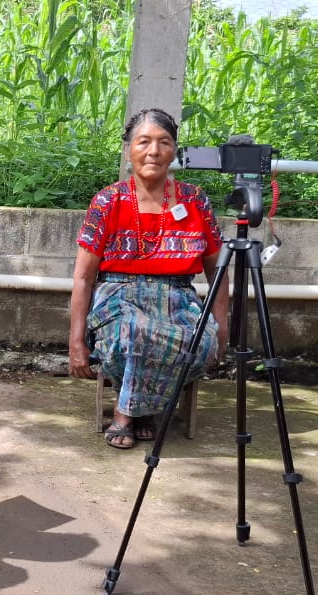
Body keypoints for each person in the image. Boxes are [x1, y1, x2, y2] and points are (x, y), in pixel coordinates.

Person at [68, 108, 230, 449]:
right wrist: (76, 341)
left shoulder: (195, 200)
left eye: (163, 142)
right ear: (129, 149)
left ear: (174, 150)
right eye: (144, 142)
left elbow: (216, 269)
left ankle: (142, 411)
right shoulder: (108, 200)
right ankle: (129, 415)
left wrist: (222, 324)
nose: (153, 151)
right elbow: (83, 278)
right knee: (133, 331)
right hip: (119, 295)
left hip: (178, 298)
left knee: (200, 340)